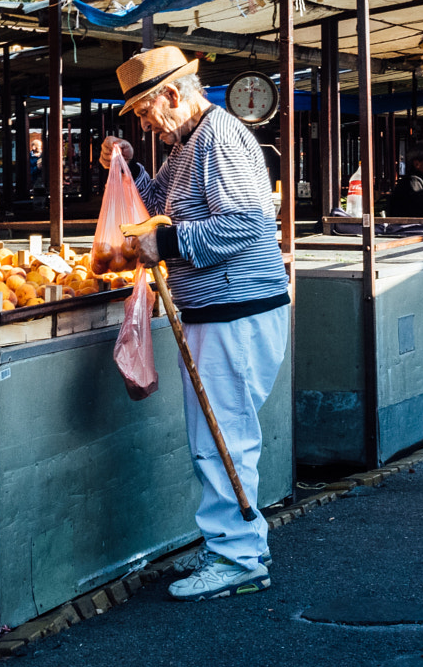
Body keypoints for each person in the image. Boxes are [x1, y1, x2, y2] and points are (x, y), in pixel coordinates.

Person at [100, 46, 288, 603]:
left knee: (221, 437)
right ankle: (237, 543)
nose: (143, 122)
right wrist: (128, 165)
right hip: (217, 312)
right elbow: (157, 202)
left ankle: (238, 558)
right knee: (218, 434)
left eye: (143, 112)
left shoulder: (219, 138)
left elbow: (248, 225)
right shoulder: (185, 145)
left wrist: (170, 242)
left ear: (172, 96)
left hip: (236, 311)